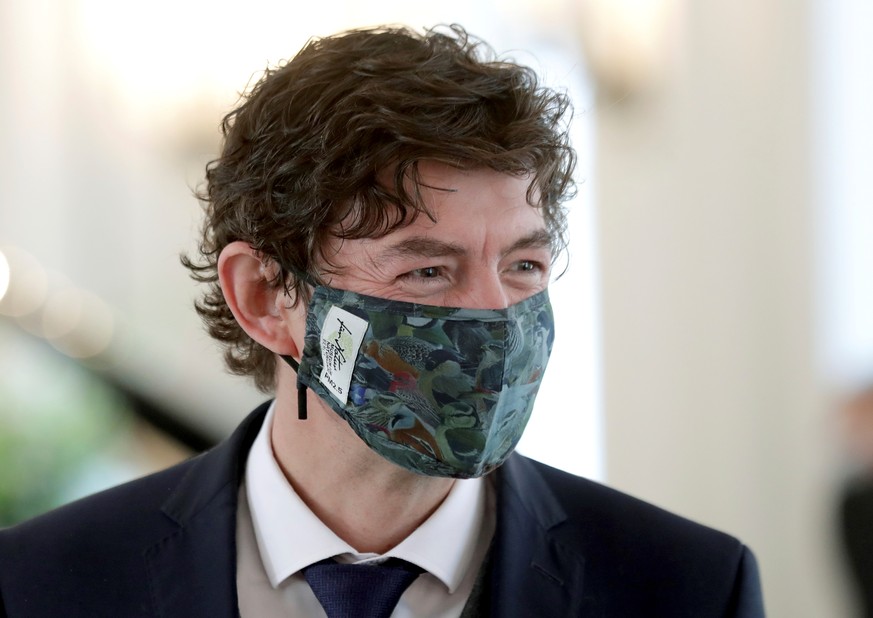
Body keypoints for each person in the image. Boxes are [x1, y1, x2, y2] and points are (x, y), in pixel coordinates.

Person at [0, 24, 764, 617]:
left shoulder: (686, 587)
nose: (496, 316)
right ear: (267, 297)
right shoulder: (41, 584)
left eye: (522, 266)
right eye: (428, 271)